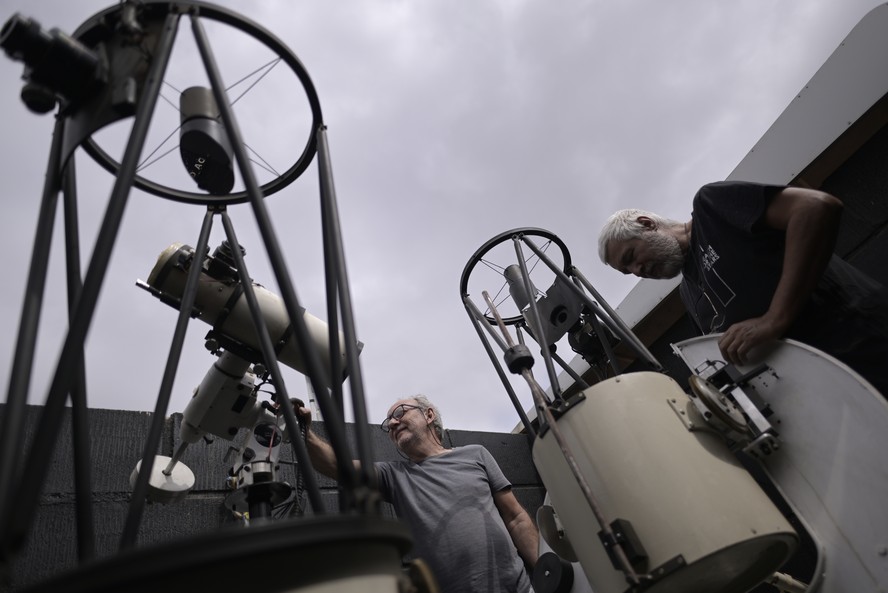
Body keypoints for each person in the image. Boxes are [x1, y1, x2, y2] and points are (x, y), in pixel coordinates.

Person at [597, 180, 888, 396]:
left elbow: (815, 207)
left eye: (631, 257)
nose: (638, 271)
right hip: (831, 393)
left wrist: (775, 319)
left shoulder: (711, 207)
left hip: (865, 345)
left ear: (647, 224)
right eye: (628, 272)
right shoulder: (690, 294)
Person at [299, 395, 539, 593]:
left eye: (399, 413)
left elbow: (515, 517)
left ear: (429, 415)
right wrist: (305, 432)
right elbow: (338, 467)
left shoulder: (476, 454)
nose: (392, 424)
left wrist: (545, 568)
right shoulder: (394, 475)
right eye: (388, 423)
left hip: (519, 588)